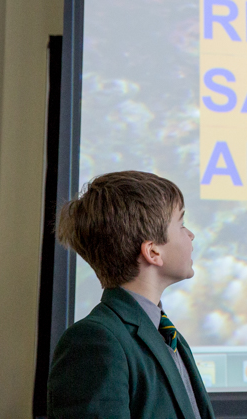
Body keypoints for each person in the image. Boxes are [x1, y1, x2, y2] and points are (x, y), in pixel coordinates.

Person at [48, 171, 214, 419]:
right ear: (153, 252)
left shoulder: (166, 333)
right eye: (180, 224)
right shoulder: (96, 341)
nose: (190, 235)